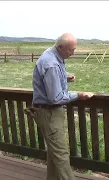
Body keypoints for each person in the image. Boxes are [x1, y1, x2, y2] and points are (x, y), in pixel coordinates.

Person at [31, 33, 93, 180]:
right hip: (49, 112)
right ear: (60, 47)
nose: (73, 53)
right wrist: (78, 95)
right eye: (71, 50)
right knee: (61, 154)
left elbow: (52, 73)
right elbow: (55, 97)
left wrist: (65, 76)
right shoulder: (51, 64)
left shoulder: (51, 54)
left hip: (47, 111)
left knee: (54, 153)